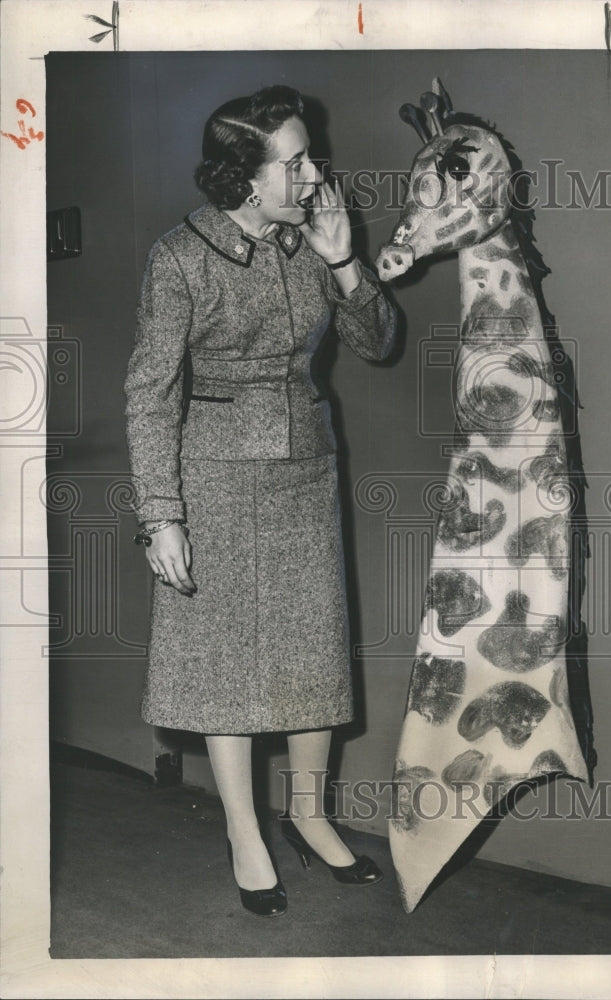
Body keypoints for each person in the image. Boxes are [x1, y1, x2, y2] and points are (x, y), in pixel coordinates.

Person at [124, 85, 396, 916]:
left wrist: (346, 257)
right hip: (213, 476)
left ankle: (309, 815)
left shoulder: (311, 241)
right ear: (246, 176)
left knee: (312, 647)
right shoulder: (180, 257)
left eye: (311, 155)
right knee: (227, 662)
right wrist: (161, 514)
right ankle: (247, 830)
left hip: (307, 468)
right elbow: (149, 392)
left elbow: (380, 342)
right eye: (297, 161)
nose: (315, 172)